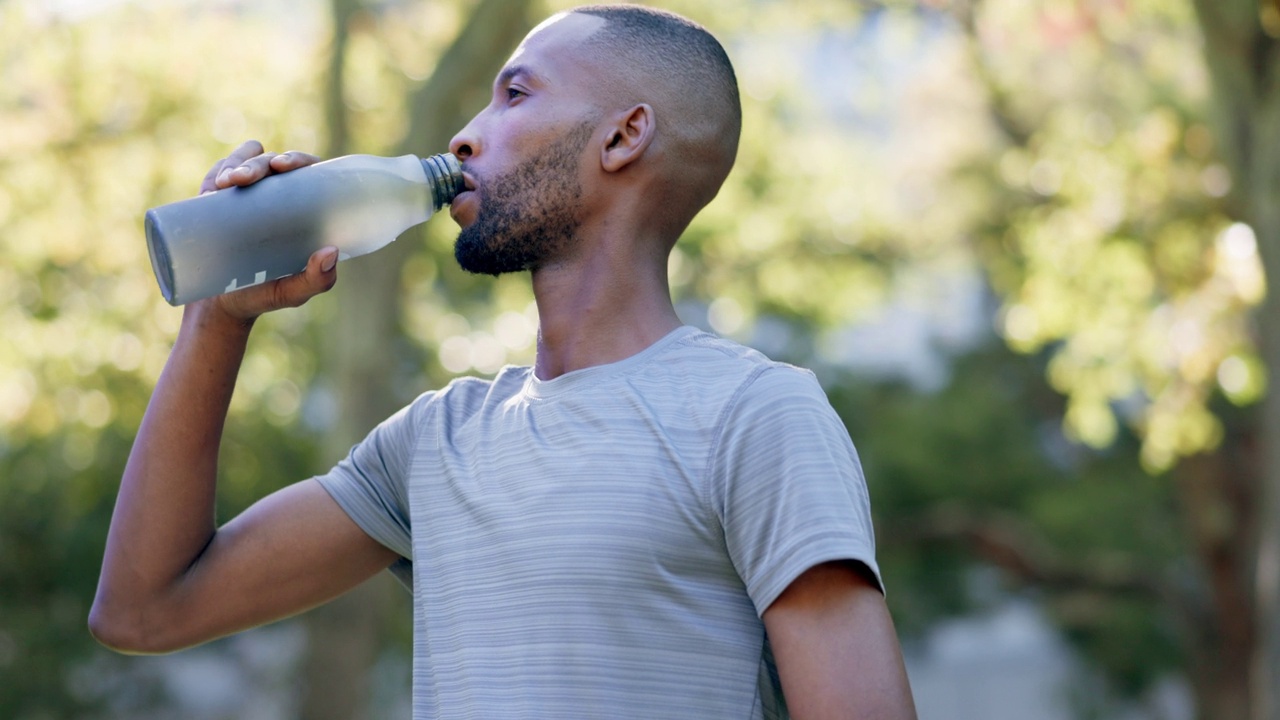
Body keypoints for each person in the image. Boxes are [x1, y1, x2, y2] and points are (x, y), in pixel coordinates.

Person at [90, 5, 917, 719]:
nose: (464, 135)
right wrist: (217, 319)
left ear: (623, 136)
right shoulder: (434, 443)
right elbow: (143, 612)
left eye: (514, 94)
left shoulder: (755, 414)